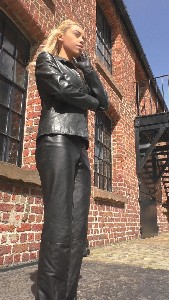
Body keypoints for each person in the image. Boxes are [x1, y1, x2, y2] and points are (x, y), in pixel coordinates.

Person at [34, 19, 109, 300]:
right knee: (59, 222)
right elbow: (64, 91)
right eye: (76, 34)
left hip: (79, 146)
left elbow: (104, 100)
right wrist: (92, 101)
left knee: (78, 227)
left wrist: (89, 69)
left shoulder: (80, 70)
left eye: (83, 37)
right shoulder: (46, 60)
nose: (81, 40)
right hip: (56, 139)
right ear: (61, 35)